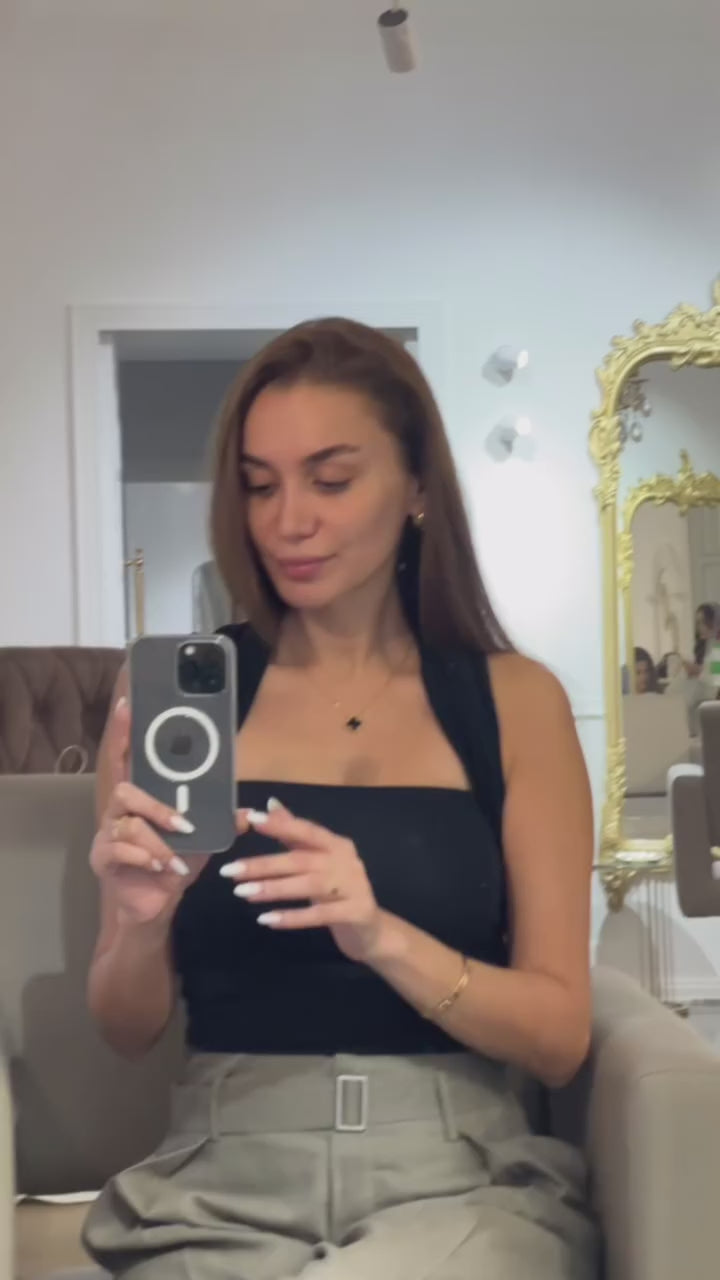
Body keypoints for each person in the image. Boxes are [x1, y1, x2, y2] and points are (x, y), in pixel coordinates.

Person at [83, 319, 597, 1279]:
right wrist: (140, 925)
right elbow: (123, 1025)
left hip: (459, 1182)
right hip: (217, 1182)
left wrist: (382, 936)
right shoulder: (178, 702)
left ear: (416, 488)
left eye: (330, 480)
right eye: (260, 485)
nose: (289, 521)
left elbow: (560, 1037)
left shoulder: (515, 703)